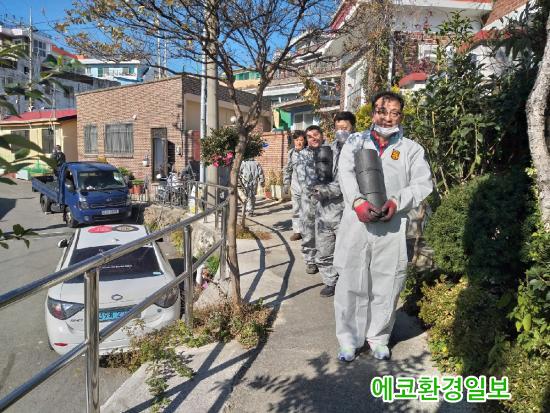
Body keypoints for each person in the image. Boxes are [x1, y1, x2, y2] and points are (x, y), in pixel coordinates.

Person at [334, 91, 433, 362]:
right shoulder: (355, 141)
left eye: (394, 113)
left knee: (387, 283)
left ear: (401, 116)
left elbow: (423, 184)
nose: (387, 117)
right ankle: (349, 340)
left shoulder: (411, 149)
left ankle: (378, 338)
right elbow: (345, 174)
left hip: (391, 224)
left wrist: (397, 202)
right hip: (357, 224)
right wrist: (357, 202)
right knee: (351, 281)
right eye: (381, 111)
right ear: (372, 112)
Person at [297, 124, 347, 297]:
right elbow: (303, 180)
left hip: (331, 204)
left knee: (334, 244)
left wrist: (325, 192)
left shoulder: (332, 151)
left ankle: (338, 278)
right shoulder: (302, 155)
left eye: (316, 134)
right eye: (309, 136)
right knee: (309, 234)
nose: (313, 138)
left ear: (322, 135)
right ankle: (311, 261)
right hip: (309, 201)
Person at [283, 131, 307, 241]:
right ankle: (297, 231)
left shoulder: (309, 152)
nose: (299, 142)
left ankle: (307, 231)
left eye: (301, 140)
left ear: (305, 141)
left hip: (307, 187)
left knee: (307, 210)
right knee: (296, 209)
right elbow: (288, 169)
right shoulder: (291, 153)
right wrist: (286, 184)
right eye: (297, 140)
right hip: (295, 186)